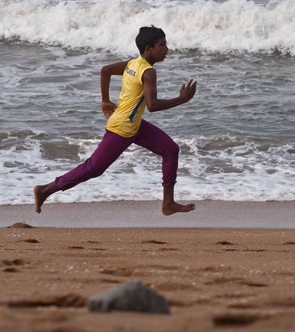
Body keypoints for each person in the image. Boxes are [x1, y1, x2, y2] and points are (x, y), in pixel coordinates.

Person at [33, 25, 197, 215]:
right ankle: (45, 190)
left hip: (133, 124)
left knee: (170, 149)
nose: (167, 49)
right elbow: (152, 106)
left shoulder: (132, 64)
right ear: (148, 49)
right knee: (93, 168)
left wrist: (105, 101)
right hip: (123, 128)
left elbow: (105, 71)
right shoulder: (148, 72)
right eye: (162, 45)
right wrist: (182, 100)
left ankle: (168, 204)